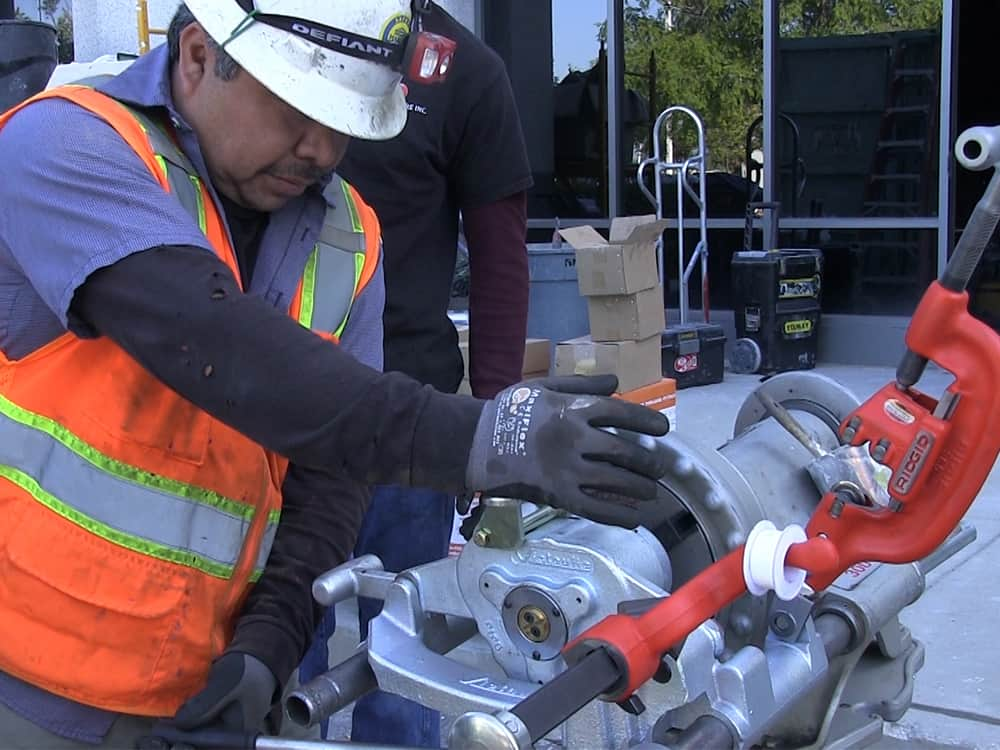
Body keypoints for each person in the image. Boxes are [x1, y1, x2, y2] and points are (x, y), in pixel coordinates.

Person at [0, 1, 669, 748]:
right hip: (30, 691)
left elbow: (330, 478)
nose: (320, 147)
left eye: (346, 119)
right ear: (196, 55)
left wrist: (269, 646)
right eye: (298, 107)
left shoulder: (348, 232)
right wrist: (483, 434)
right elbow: (221, 345)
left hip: (201, 696)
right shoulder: (63, 144)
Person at [298, 3, 534, 746]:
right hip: (281, 406)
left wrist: (496, 426)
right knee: (279, 664)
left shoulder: (466, 73)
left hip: (408, 423)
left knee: (401, 675)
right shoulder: (287, 32)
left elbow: (501, 258)